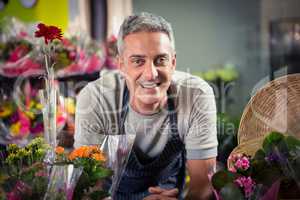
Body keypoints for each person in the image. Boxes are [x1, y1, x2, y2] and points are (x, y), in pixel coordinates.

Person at [74, 12, 218, 200]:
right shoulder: (95, 99)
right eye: (138, 61)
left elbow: (203, 186)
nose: (151, 74)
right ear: (121, 65)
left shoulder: (196, 94)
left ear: (173, 63)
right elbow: (89, 190)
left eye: (160, 60)